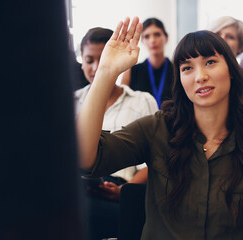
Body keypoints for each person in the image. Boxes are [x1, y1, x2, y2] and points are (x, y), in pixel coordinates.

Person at [77, 17, 243, 239]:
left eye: (210, 62)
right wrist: (106, 72)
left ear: (231, 70)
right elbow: (86, 158)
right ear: (180, 80)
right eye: (187, 68)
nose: (201, 76)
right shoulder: (158, 129)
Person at [75, 27, 158, 239]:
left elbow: (156, 163)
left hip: (124, 191)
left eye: (102, 59)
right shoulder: (71, 102)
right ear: (81, 61)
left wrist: (124, 190)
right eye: (89, 60)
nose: (96, 68)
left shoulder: (141, 101)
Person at [121, 17, 173, 109]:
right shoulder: (132, 71)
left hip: (173, 122)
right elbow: (122, 104)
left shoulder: (177, 69)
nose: (152, 40)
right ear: (142, 41)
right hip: (141, 122)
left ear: (166, 38)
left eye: (157, 34)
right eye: (147, 36)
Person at [206, 16, 243, 93]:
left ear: (240, 46)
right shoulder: (196, 76)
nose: (222, 39)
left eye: (230, 37)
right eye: (217, 34)